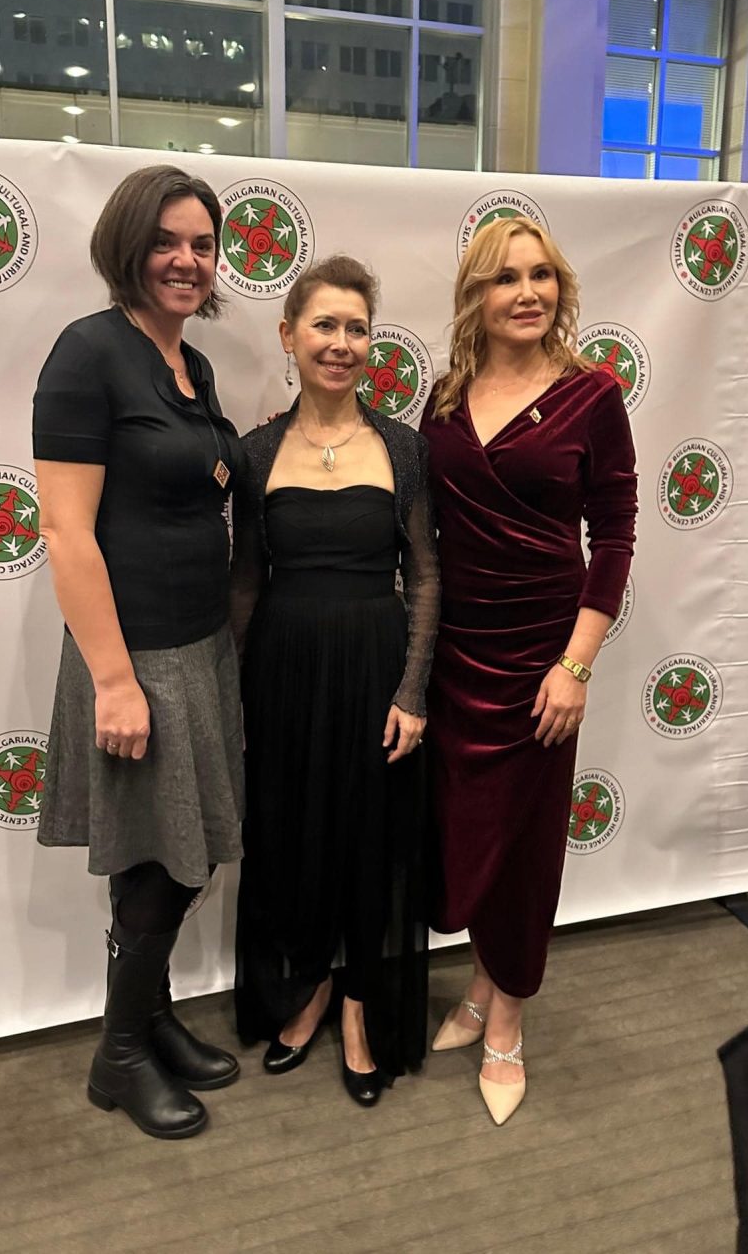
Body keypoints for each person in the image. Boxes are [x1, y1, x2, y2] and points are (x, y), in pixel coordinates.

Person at [32, 165, 244, 1141]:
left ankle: (149, 1019)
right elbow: (65, 532)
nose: (186, 260)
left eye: (201, 243)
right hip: (136, 655)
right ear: (128, 246)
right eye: (166, 241)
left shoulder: (190, 366)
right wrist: (115, 681)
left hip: (201, 644)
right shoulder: (87, 354)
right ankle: (118, 1056)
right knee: (165, 864)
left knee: (171, 850)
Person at [420, 216, 637, 1126]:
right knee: (468, 834)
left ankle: (506, 1019)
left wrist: (575, 665)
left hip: (542, 656)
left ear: (561, 288)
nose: (526, 293)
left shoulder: (593, 396)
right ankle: (479, 984)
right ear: (476, 294)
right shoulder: (445, 396)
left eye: (541, 275)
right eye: (506, 277)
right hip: (456, 650)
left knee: (528, 843)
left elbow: (615, 536)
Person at [231, 255, 440, 1107]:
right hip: (282, 672)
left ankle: (358, 1007)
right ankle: (310, 984)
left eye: (358, 328)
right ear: (289, 336)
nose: (342, 342)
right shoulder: (254, 453)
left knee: (369, 840)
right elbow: (246, 582)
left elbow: (424, 575)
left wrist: (413, 691)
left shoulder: (403, 447)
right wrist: (236, 695)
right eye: (325, 325)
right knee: (294, 837)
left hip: (376, 670)